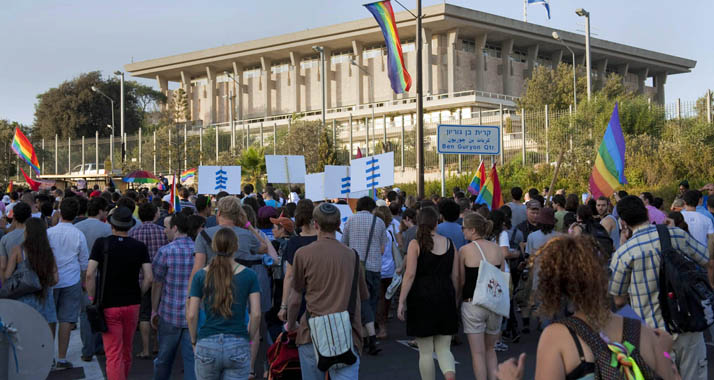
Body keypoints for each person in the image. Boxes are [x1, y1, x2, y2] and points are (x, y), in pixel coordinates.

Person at [496, 235, 678, 380]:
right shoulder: (642, 332)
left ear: (555, 287)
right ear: (603, 275)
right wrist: (665, 353)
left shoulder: (556, 337)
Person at [610, 195, 709, 380]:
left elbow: (619, 300)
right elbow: (706, 259)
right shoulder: (676, 234)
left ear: (623, 222)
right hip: (689, 325)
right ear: (646, 212)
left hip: (654, 337)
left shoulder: (624, 254)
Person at [191, 196, 276, 379]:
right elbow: (263, 247)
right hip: (239, 301)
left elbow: (197, 268)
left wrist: (191, 299)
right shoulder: (245, 236)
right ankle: (252, 369)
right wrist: (248, 226)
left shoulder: (204, 235)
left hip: (209, 300)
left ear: (218, 213)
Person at [286, 203, 368, 380]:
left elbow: (294, 298)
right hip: (347, 333)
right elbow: (361, 297)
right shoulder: (352, 256)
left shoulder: (303, 254)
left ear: (315, 223)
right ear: (339, 224)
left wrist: (290, 324)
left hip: (312, 333)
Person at [85, 207, 153, 380]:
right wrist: (139, 292)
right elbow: (149, 277)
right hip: (132, 303)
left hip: (108, 304)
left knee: (113, 353)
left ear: (111, 224)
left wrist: (93, 297)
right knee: (126, 350)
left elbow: (90, 273)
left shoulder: (102, 243)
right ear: (129, 225)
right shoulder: (139, 246)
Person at [187, 227, 261, 380]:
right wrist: (249, 337)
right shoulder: (249, 275)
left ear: (214, 246)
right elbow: (256, 314)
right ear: (235, 246)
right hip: (237, 341)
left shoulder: (201, 275)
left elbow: (192, 314)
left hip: (207, 341)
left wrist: (194, 340)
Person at [398, 207, 458, 380]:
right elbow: (455, 276)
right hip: (445, 294)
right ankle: (449, 374)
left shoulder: (415, 244)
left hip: (421, 297)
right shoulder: (449, 244)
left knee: (425, 352)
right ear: (436, 223)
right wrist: (455, 298)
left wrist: (401, 302)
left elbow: (409, 275)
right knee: (444, 348)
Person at [458, 212, 506, 380]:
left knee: (477, 354)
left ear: (472, 230)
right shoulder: (498, 249)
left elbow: (461, 280)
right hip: (495, 303)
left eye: (464, 227)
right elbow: (502, 276)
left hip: (473, 303)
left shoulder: (464, 250)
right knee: (490, 350)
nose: (462, 231)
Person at [150, 212, 196, 380]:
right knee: (192, 360)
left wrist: (154, 310)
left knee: (164, 359)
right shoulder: (198, 250)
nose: (164, 231)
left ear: (175, 228)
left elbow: (157, 283)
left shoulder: (166, 251)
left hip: (169, 313)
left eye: (167, 228)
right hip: (192, 313)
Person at [47, 197, 90, 369]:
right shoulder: (78, 234)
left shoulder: (49, 233)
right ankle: (62, 358)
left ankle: (47, 357)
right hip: (72, 280)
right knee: (66, 320)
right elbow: (84, 262)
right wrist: (85, 283)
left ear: (60, 212)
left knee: (50, 319)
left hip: (50, 281)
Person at [341, 196, 387, 355]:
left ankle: (366, 337)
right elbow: (383, 247)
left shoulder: (350, 221)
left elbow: (344, 244)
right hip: (374, 267)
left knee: (360, 302)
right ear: (372, 207)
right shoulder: (379, 222)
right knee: (371, 300)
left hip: (356, 267)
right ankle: (370, 336)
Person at [129, 201, 169, 360]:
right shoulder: (163, 232)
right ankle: (157, 345)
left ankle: (145, 348)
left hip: (140, 278)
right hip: (160, 279)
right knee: (159, 312)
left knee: (144, 314)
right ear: (155, 215)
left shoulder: (133, 232)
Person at [3, 218, 58, 329]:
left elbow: (7, 275)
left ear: (27, 232)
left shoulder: (18, 250)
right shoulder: (48, 251)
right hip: (45, 297)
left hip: (24, 298)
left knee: (27, 337)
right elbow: (55, 279)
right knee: (46, 339)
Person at [75, 196, 111, 362]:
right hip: (102, 276)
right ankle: (99, 346)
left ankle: (87, 349)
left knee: (85, 313)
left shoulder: (77, 228)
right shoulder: (106, 229)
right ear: (100, 211)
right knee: (101, 311)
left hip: (82, 275)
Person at [278, 199, 318, 323]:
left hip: (301, 296)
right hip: (323, 295)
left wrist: (284, 306)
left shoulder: (294, 243)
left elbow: (289, 276)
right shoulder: (322, 239)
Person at [374, 205, 397, 340]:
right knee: (386, 298)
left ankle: (382, 328)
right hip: (390, 268)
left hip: (380, 268)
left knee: (380, 298)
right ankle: (383, 323)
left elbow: (380, 250)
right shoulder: (390, 231)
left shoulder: (379, 233)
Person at [0, 201, 31, 282]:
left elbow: (3, 266)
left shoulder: (5, 239)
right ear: (30, 216)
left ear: (14, 218)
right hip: (32, 282)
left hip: (12, 283)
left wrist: (4, 288)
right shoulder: (36, 235)